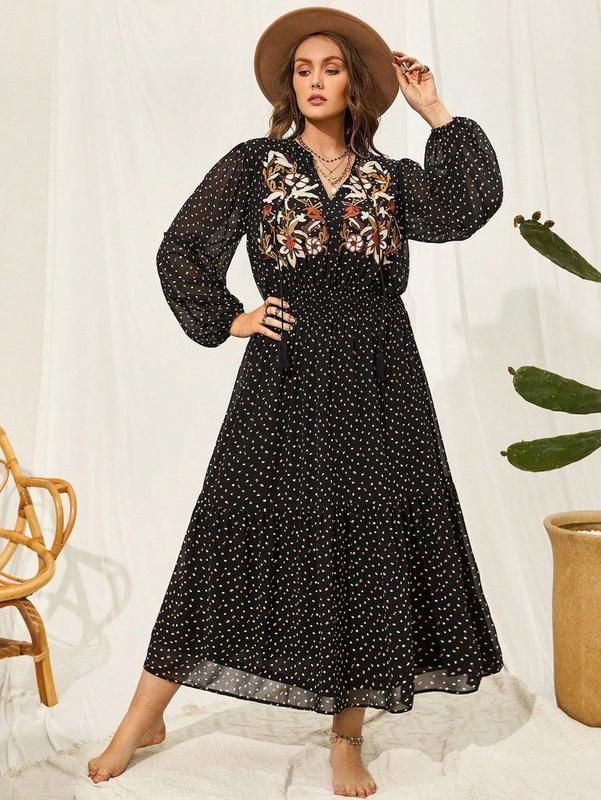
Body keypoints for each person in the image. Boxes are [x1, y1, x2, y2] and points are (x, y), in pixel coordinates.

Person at [88, 7, 504, 797]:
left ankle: (346, 736)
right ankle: (141, 718)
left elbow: (467, 206)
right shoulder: (255, 164)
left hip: (381, 376)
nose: (315, 81)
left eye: (331, 69)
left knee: (365, 541)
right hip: (285, 373)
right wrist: (230, 317)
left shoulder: (390, 178)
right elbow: (182, 246)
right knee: (228, 531)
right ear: (290, 84)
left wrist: (434, 112)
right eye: (303, 70)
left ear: (354, 85)